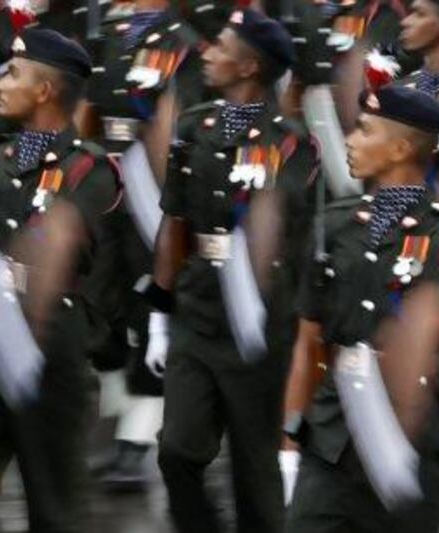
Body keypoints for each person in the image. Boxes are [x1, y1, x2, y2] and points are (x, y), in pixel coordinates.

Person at [283, 84, 439, 532]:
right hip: (332, 433)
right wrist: (288, 446)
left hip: (407, 439)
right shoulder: (334, 225)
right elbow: (308, 340)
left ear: (399, 148)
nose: (350, 142)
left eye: (363, 131)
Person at [146, 8, 319, 533]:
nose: (208, 52)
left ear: (249, 67)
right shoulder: (193, 126)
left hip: (261, 322)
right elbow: (173, 221)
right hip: (197, 309)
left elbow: (304, 240)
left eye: (221, 46)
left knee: (255, 472)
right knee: (177, 450)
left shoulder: (292, 144)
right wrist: (159, 309)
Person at [79, 0, 210, 489]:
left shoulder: (179, 42)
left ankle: (139, 436)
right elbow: (92, 105)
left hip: (152, 191)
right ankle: (118, 415)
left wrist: (171, 207)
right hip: (110, 181)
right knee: (100, 300)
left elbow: (175, 128)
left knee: (149, 309)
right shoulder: (114, 27)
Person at [0, 27, 121, 532]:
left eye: (12, 73)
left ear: (45, 91)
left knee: (53, 506)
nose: (1, 82)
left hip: (50, 348)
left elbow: (62, 241)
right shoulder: (2, 158)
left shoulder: (88, 169)